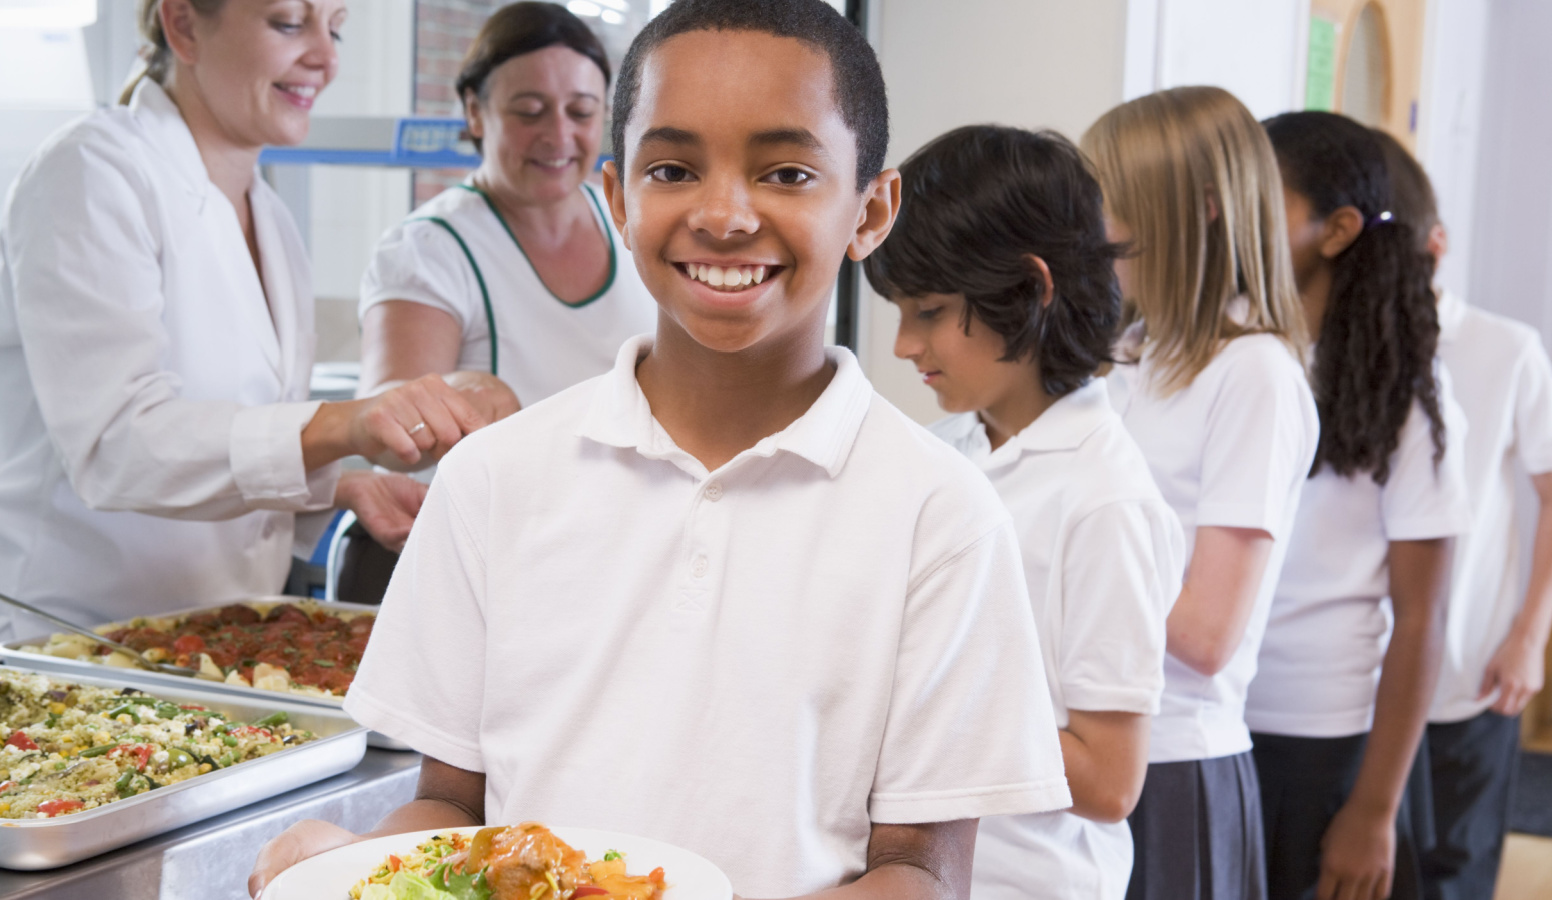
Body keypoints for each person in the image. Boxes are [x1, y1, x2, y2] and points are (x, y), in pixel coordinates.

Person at [249, 1, 1073, 897]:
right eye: (674, 169)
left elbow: (919, 872)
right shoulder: (495, 478)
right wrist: (359, 867)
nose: (723, 217)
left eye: (788, 173)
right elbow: (448, 811)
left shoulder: (939, 516)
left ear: (872, 211)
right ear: (617, 198)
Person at [0, 0, 490, 657]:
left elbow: (229, 448)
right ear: (182, 25)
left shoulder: (270, 217)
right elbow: (116, 446)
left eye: (336, 27)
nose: (326, 57)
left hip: (204, 648)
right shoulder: (91, 171)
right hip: (55, 644)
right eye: (290, 23)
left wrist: (334, 486)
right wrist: (345, 424)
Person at [866, 124, 1184, 900]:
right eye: (901, 310)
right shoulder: (943, 451)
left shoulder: (1104, 501)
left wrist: (929, 694)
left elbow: (1111, 781)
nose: (905, 343)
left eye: (932, 310)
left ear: (1031, 288)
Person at [1080, 86, 1319, 900]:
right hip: (1088, 741)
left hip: (1179, 760)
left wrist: (1058, 568)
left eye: (1113, 201)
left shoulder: (1255, 375)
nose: (1097, 228)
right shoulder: (1130, 355)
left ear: (1202, 211)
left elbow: (1210, 633)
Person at [1244, 111, 1470, 900]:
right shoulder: (1234, 356)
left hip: (1324, 745)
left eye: (1262, 203)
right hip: (1211, 726)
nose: (1238, 226)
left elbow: (1421, 619)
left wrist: (1375, 808)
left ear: (1338, 229)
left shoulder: (1405, 391)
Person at [1374, 130, 1552, 900]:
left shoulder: (1507, 349)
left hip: (1471, 669)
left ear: (1435, 244)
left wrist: (1529, 636)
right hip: (1357, 681)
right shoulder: (1329, 350)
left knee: (1453, 879)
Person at [358, 1, 654, 411]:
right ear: (475, 113)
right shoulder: (427, 250)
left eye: (581, 112)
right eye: (530, 112)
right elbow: (382, 417)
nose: (558, 134)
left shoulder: (629, 220)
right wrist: (449, 396)